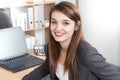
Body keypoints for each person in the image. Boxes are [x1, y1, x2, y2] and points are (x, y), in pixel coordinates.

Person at [22, 1, 120, 80]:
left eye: (65, 23)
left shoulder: (86, 53)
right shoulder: (52, 47)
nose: (57, 28)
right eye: (54, 22)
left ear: (76, 26)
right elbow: (45, 68)